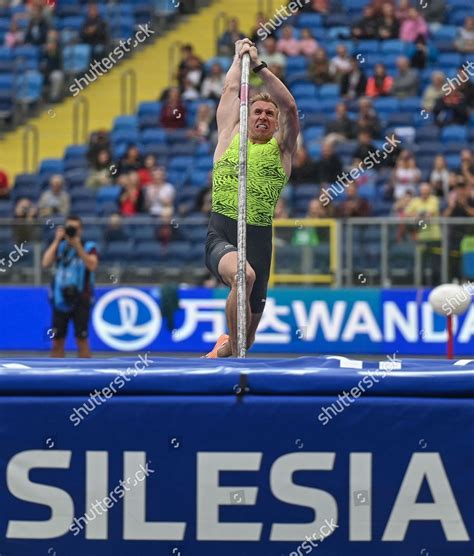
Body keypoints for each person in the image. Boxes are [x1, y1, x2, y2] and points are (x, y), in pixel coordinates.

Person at [204, 38, 299, 357]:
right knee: (242, 276)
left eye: (268, 115)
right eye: (256, 111)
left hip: (259, 239)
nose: (262, 117)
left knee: (244, 340)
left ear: (274, 123)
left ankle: (219, 355)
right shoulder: (229, 137)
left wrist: (259, 66)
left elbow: (290, 107)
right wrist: (237, 58)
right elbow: (231, 91)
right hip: (222, 231)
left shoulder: (282, 151)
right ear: (248, 115)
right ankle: (233, 368)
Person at [42, 215, 99, 358]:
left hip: (81, 298)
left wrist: (78, 246)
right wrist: (57, 240)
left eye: (75, 228)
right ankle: (56, 377)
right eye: (69, 228)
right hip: (60, 299)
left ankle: (87, 377)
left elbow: (92, 265)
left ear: (81, 230)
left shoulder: (89, 246)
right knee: (57, 341)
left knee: (82, 339)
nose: (72, 231)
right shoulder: (60, 246)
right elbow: (45, 263)